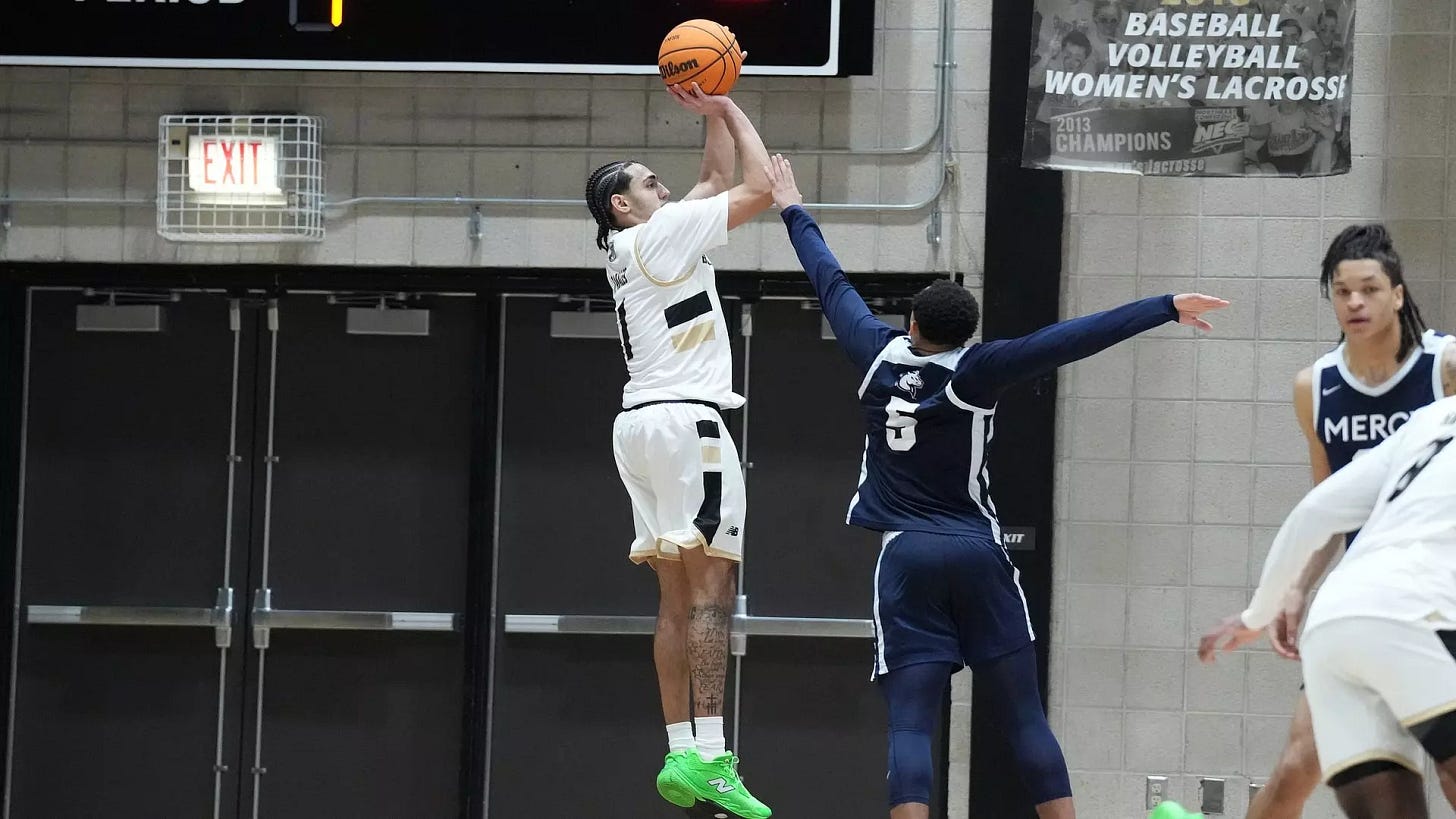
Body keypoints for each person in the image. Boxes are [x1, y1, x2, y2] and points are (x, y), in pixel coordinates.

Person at [764, 153, 1227, 819]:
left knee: (912, 724)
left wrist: (792, 206)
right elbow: (1068, 340)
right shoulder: (978, 370)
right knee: (1022, 717)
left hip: (905, 554)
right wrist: (1164, 306)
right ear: (965, 333)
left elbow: (828, 276)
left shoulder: (873, 350)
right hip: (976, 549)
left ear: (913, 324)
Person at [1205, 225, 1456, 819]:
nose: (1356, 303)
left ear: (1397, 293)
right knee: (1300, 761)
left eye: (1369, 289)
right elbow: (1327, 507)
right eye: (1343, 292)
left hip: (1393, 599)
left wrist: (1263, 608)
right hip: (1390, 592)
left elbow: (1322, 509)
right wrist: (1295, 589)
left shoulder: (1441, 368)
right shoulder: (1316, 386)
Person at [584, 80, 773, 819]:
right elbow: (756, 186)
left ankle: (680, 751)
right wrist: (735, 108)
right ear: (622, 206)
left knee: (673, 594)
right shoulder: (660, 234)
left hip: (640, 427)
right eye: (647, 182)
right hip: (687, 425)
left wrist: (717, 111)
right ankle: (714, 753)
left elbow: (717, 180)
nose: (665, 185)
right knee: (713, 593)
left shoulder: (635, 244)